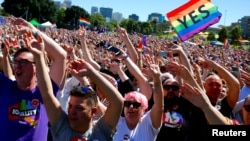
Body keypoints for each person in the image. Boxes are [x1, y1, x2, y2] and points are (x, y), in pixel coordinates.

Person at [24, 31, 124, 140]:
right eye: (70, 106)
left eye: (79, 108)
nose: (72, 112)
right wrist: (39, 58)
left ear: (93, 111)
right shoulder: (61, 125)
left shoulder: (101, 130)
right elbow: (47, 94)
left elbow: (118, 102)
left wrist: (91, 73)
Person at [0, 18, 67, 141]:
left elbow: (61, 57)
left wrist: (33, 30)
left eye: (24, 62)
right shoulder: (5, 86)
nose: (18, 66)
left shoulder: (45, 93)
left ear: (37, 67)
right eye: (16, 62)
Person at [113, 63, 164, 141]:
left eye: (136, 105)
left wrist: (157, 78)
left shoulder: (148, 123)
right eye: (128, 104)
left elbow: (159, 106)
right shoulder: (116, 121)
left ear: (143, 109)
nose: (131, 107)